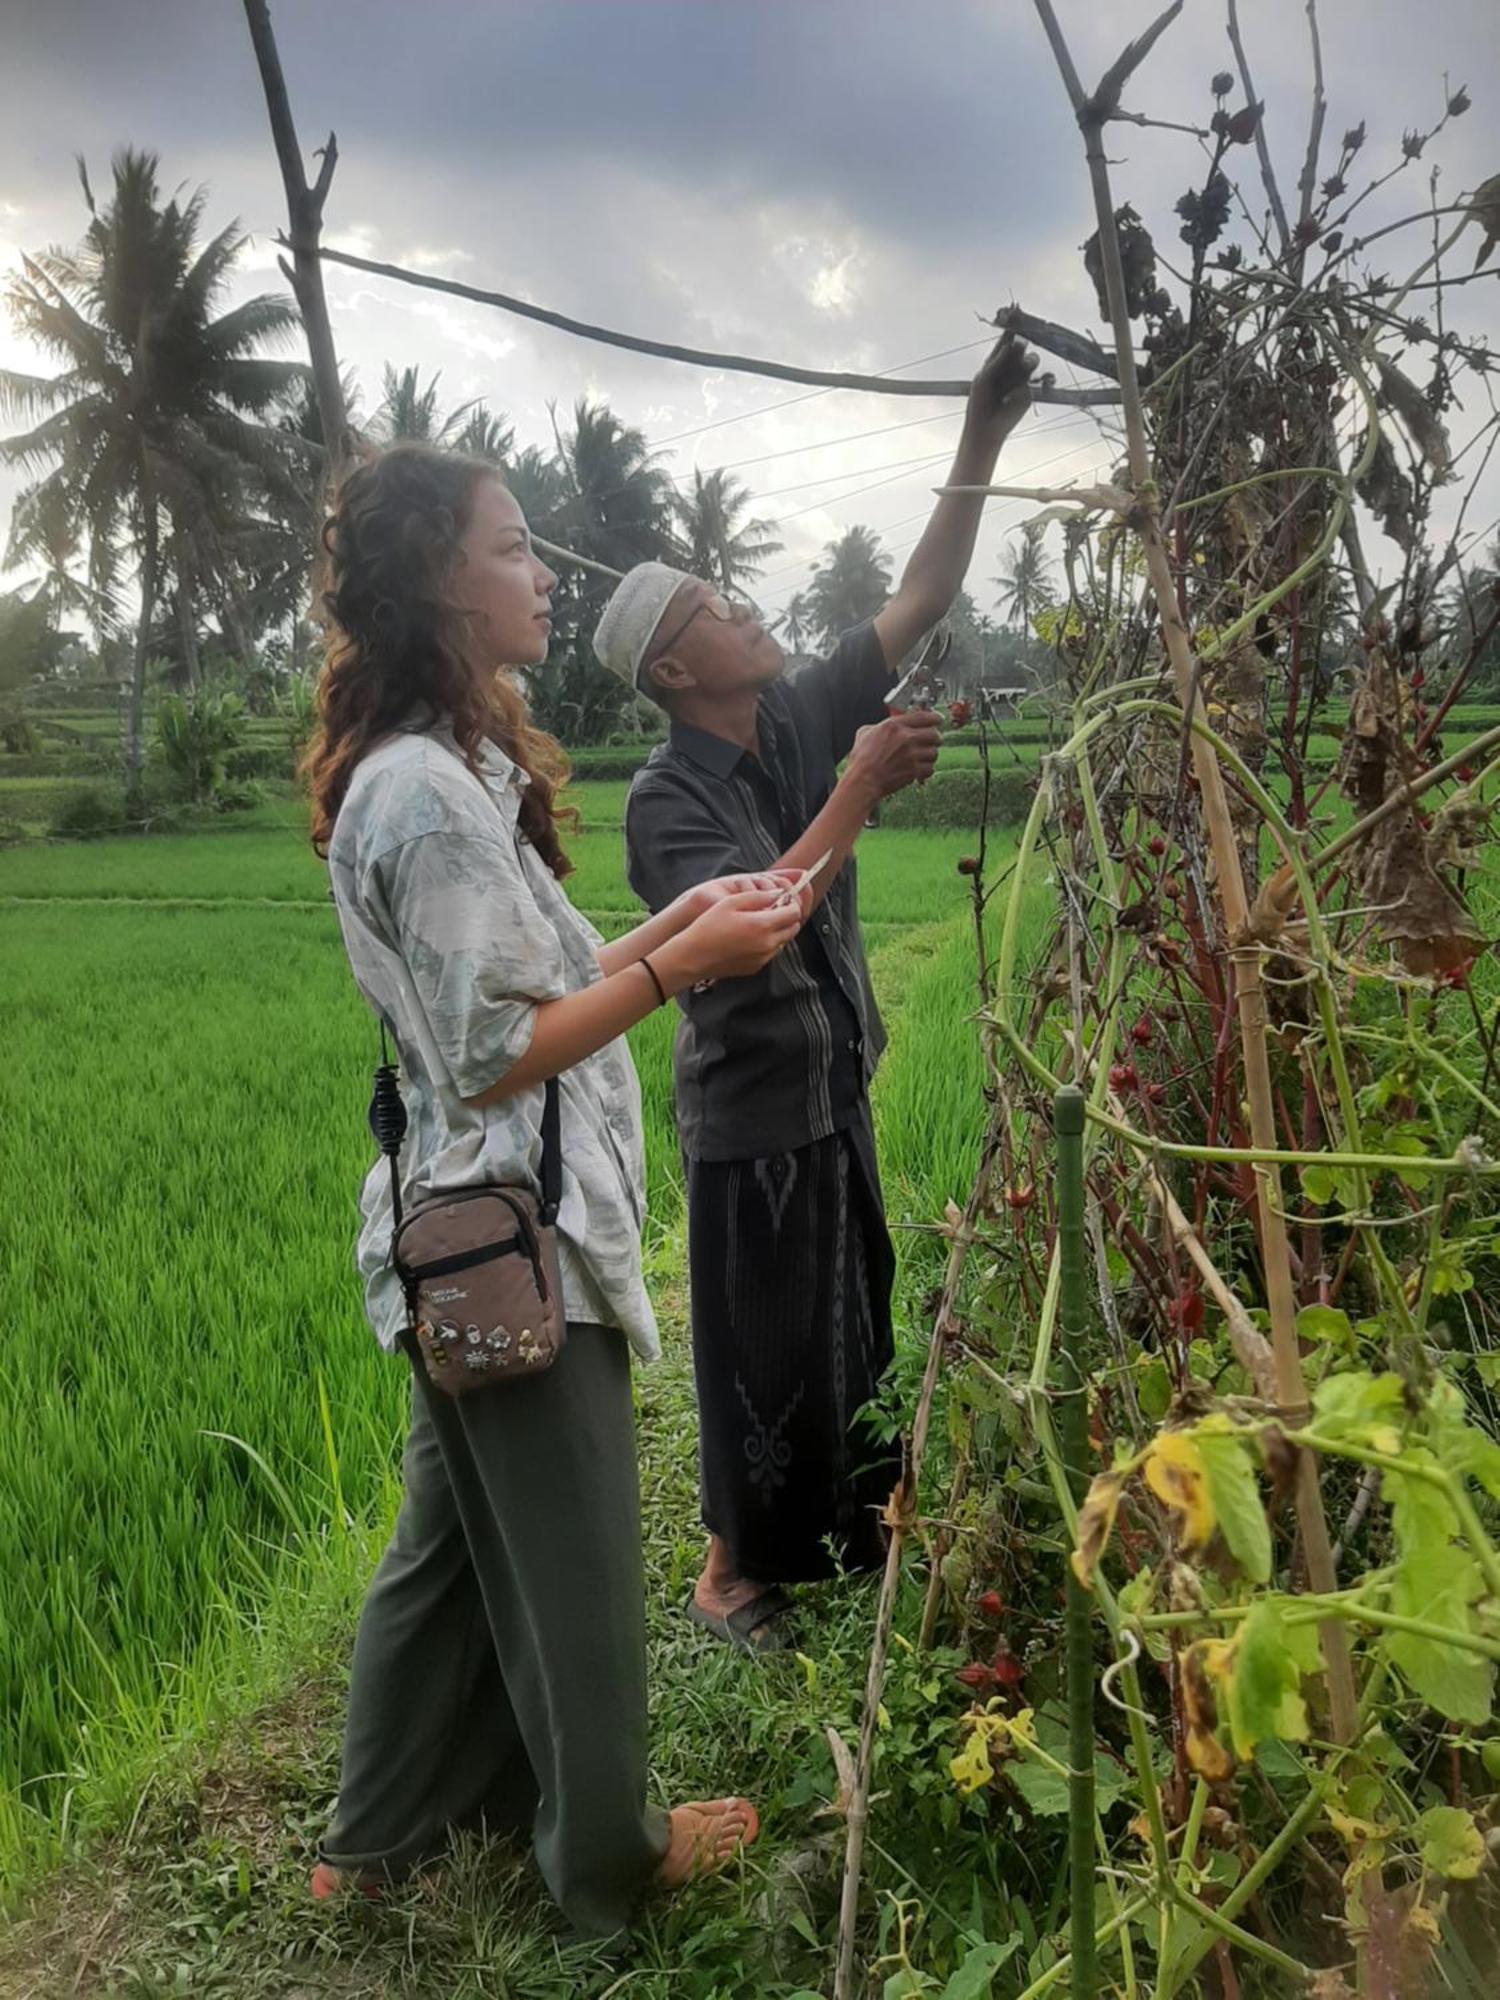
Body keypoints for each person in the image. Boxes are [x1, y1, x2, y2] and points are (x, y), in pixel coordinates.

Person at [303, 444, 811, 1934]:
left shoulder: (443, 771)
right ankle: (608, 1856)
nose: (543, 575)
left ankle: (375, 1838)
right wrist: (679, 967)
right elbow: (498, 1048)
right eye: (516, 549)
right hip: (510, 1240)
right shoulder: (426, 797)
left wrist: (679, 917)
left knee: (445, 1550)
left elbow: (530, 975)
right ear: (442, 585)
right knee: (581, 1561)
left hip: (461, 1227)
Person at [600, 334, 1038, 1654]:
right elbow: (755, 925)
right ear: (677, 673)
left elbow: (922, 587)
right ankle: (734, 1574)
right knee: (757, 1352)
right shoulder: (667, 797)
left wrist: (982, 435)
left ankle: (842, 1532)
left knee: (851, 1314)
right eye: (714, 608)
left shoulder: (791, 714)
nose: (744, 607)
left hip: (832, 1082)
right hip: (745, 1112)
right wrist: (857, 791)